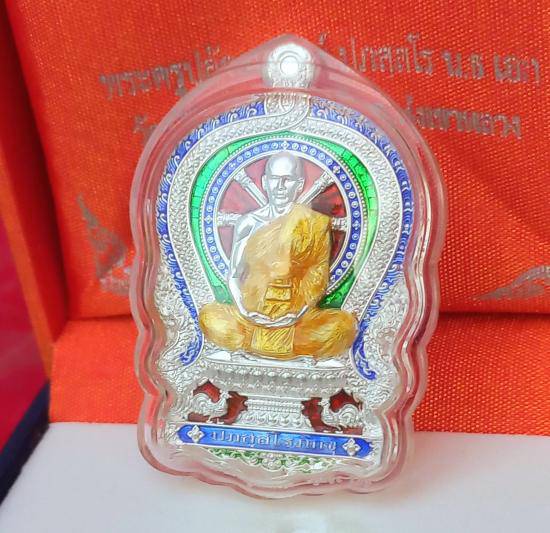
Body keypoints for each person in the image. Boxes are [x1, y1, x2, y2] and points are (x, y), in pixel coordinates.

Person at [199, 151, 356, 360]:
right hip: (253, 314)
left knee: (342, 327)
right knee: (209, 318)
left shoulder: (314, 224)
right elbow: (235, 275)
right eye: (274, 179)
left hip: (295, 316)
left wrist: (298, 313)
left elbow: (317, 275)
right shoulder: (248, 223)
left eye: (287, 180)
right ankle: (277, 346)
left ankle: (259, 346)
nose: (280, 187)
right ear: (265, 182)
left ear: (299, 185)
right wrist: (244, 311)